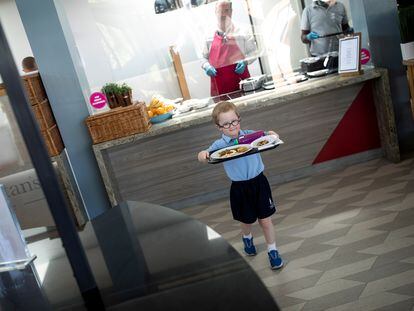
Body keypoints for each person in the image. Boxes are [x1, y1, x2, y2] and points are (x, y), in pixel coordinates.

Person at [197, 101, 284, 270]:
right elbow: (202, 156)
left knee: (265, 220)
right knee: (246, 220)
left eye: (234, 121)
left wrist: (273, 134)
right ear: (219, 127)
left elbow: (269, 135)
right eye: (226, 124)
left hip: (259, 182)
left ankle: (272, 250)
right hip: (239, 188)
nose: (231, 126)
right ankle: (247, 237)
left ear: (239, 119)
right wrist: (203, 154)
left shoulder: (251, 136)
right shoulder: (219, 146)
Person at [202, 0, 257, 97]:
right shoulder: (208, 33)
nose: (223, 14)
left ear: (231, 12)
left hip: (242, 82)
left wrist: (245, 61)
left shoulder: (242, 30)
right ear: (215, 12)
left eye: (226, 10)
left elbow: (254, 52)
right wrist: (207, 66)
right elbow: (203, 58)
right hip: (219, 86)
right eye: (220, 11)